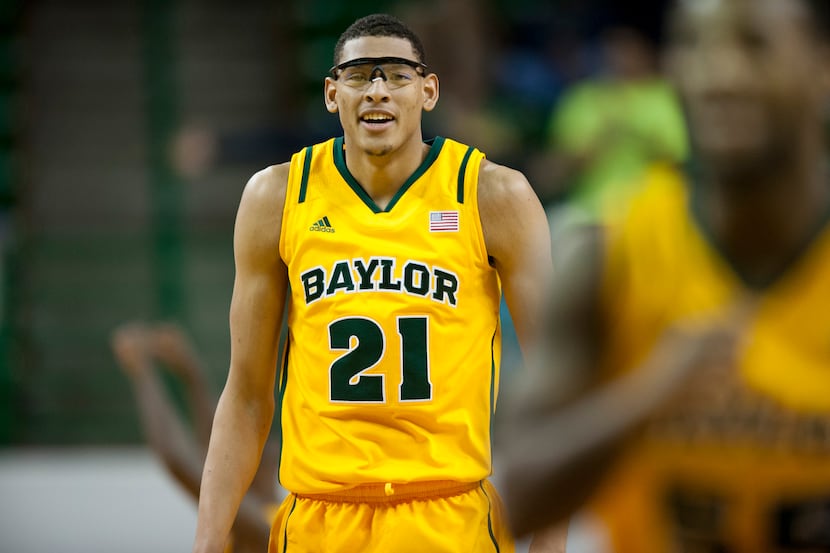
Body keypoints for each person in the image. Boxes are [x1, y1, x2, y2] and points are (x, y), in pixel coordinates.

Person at [190, 13, 553, 553]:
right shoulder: (276, 198)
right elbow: (245, 397)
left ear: (428, 91)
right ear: (332, 94)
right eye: (359, 74)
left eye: (397, 75)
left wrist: (551, 544)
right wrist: (206, 542)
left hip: (449, 517)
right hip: (317, 520)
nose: (377, 90)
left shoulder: (494, 197)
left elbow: (555, 385)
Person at [497, 0, 830, 551]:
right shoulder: (607, 254)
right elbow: (517, 495)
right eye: (695, 47)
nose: (719, 75)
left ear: (822, 64)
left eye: (753, 45)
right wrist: (648, 398)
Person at [111, 322, 282, 553]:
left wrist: (142, 371)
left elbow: (179, 461)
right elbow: (216, 445)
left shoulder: (271, 527)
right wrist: (191, 374)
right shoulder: (252, 518)